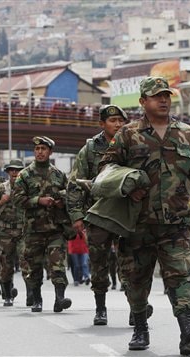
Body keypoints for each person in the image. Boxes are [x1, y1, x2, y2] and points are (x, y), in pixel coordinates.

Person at [99, 76, 190, 355]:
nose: (163, 100)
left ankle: (188, 333)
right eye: (156, 96)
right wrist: (127, 188)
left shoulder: (186, 133)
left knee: (180, 274)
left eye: (166, 95)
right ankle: (140, 329)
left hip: (176, 222)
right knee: (137, 279)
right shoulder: (128, 134)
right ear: (143, 102)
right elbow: (106, 169)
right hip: (137, 223)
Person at [66, 104, 129, 325]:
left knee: (131, 262)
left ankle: (136, 308)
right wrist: (76, 216)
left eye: (122, 121)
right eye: (113, 121)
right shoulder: (89, 150)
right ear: (102, 124)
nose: (118, 125)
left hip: (126, 213)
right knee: (99, 263)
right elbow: (74, 185)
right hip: (98, 214)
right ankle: (100, 308)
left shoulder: (132, 144)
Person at [13, 136, 73, 313]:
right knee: (35, 266)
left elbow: (71, 196)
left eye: (43, 149)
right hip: (33, 230)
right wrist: (38, 200)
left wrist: (62, 202)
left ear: (50, 152)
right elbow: (17, 199)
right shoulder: (24, 175)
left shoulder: (59, 175)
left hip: (55, 229)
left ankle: (60, 299)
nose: (40, 152)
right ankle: (37, 299)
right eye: (37, 149)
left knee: (58, 265)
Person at [0, 159, 29, 307]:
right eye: (12, 170)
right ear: (8, 172)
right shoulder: (0, 189)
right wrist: (1, 202)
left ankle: (32, 294)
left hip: (23, 230)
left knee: (26, 261)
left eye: (17, 170)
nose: (15, 172)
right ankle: (8, 295)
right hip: (5, 232)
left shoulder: (27, 187)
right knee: (6, 264)